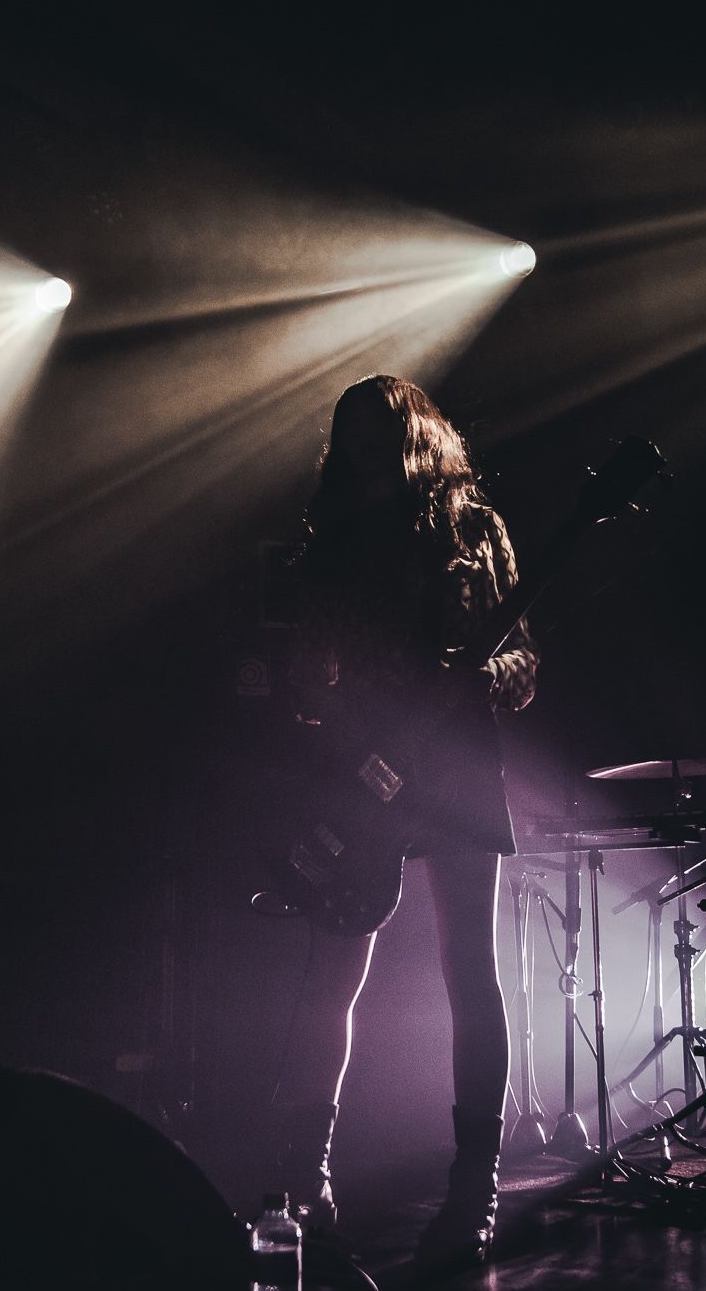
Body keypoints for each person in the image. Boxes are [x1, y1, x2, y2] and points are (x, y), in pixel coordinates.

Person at [273, 374, 537, 1273]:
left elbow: (524, 662)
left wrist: (487, 675)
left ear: (411, 436)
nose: (359, 452)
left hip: (456, 767)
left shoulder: (475, 529)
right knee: (332, 975)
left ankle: (475, 1187)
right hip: (363, 772)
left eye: (373, 434)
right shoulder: (335, 544)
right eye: (346, 436)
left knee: (471, 970)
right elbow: (306, 675)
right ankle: (307, 1181)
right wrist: (323, 699)